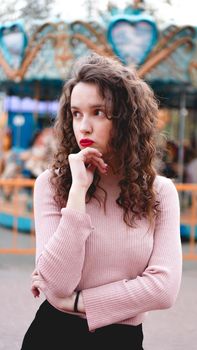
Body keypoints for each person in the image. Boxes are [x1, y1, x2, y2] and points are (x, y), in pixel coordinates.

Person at [20, 52, 182, 349]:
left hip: (123, 339)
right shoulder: (52, 185)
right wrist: (78, 191)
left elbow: (163, 289)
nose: (83, 126)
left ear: (127, 119)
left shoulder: (159, 192)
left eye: (98, 112)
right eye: (76, 113)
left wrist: (81, 300)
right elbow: (57, 286)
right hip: (53, 335)